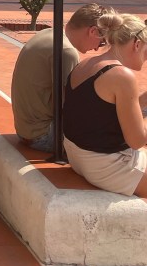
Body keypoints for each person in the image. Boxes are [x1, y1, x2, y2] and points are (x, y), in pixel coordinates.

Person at [62, 12, 147, 197]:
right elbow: (137, 141)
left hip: (79, 157)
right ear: (137, 44)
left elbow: (104, 111)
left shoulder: (86, 64)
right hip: (107, 166)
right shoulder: (122, 76)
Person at [11, 3, 112, 154]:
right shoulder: (66, 51)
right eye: (102, 42)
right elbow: (71, 105)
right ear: (93, 31)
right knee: (113, 136)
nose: (97, 48)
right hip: (44, 135)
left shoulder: (48, 33)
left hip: (26, 130)